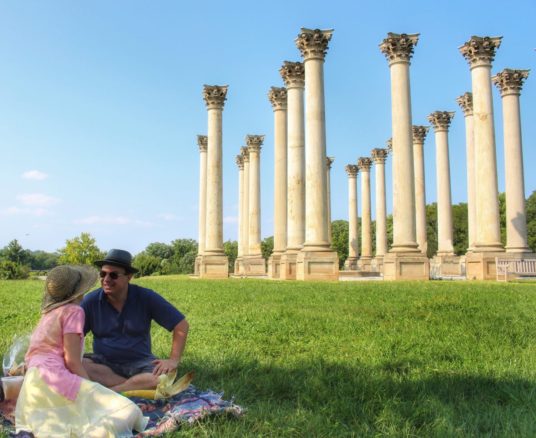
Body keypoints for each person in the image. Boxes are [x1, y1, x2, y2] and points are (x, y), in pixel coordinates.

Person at [14, 265, 148, 437]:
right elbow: (72, 361)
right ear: (78, 291)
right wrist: (90, 387)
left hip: (32, 386)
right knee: (128, 410)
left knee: (60, 419)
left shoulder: (48, 313)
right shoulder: (74, 311)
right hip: (55, 378)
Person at [82, 249, 189, 392]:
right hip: (104, 364)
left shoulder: (145, 297)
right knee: (78, 365)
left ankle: (113, 392)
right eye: (103, 274)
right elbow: (72, 335)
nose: (106, 279)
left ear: (129, 276)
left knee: (163, 377)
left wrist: (173, 360)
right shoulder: (91, 301)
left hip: (140, 364)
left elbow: (181, 325)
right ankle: (133, 387)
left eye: (113, 275)